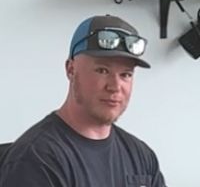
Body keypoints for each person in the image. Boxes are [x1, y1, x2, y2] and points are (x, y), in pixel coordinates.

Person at [0, 14, 167, 187]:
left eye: (126, 74)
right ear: (71, 69)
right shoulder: (36, 159)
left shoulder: (141, 157)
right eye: (102, 70)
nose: (115, 86)